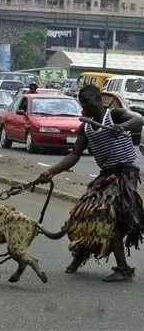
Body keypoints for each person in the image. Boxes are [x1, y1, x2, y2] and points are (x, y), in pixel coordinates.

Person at [36, 84, 144, 282]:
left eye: (87, 102)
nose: (83, 107)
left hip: (124, 174)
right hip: (105, 175)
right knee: (82, 215)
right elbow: (74, 155)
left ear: (98, 99)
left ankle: (123, 268)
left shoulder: (115, 115)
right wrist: (51, 172)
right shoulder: (85, 127)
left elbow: (139, 119)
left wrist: (123, 126)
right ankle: (81, 254)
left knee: (109, 216)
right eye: (81, 103)